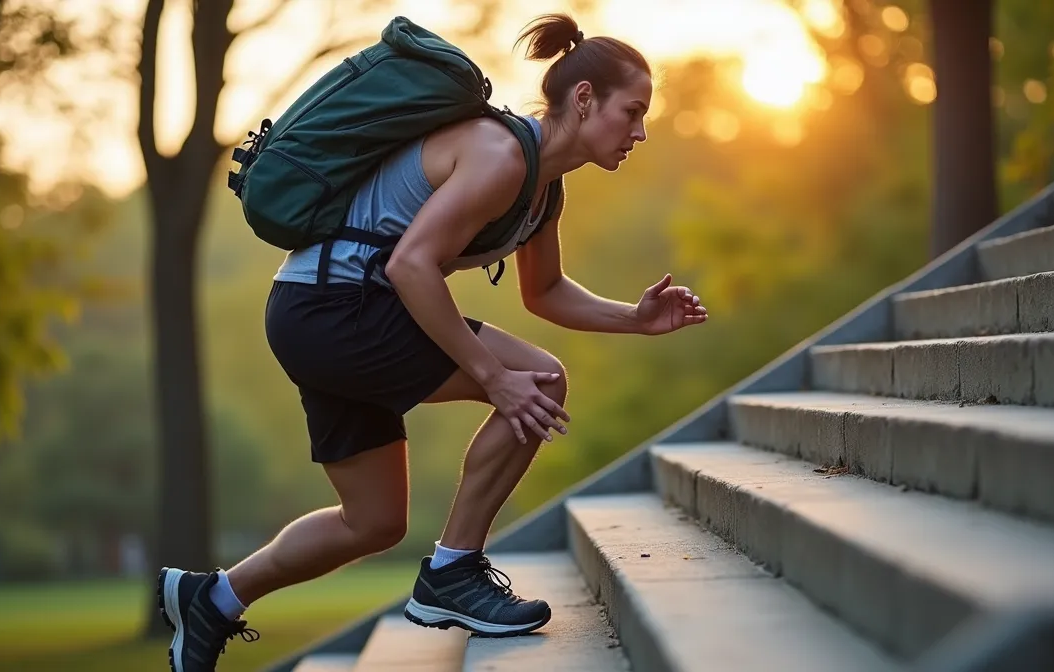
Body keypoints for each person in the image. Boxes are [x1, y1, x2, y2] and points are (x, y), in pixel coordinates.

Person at [156, 12, 707, 671]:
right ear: (584, 100)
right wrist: (493, 377)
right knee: (540, 381)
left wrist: (634, 318)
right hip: (335, 308)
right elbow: (410, 264)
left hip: (319, 310)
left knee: (374, 520)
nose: (641, 131)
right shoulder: (500, 154)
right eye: (633, 111)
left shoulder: (541, 189)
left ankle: (210, 600)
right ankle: (452, 574)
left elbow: (545, 292)